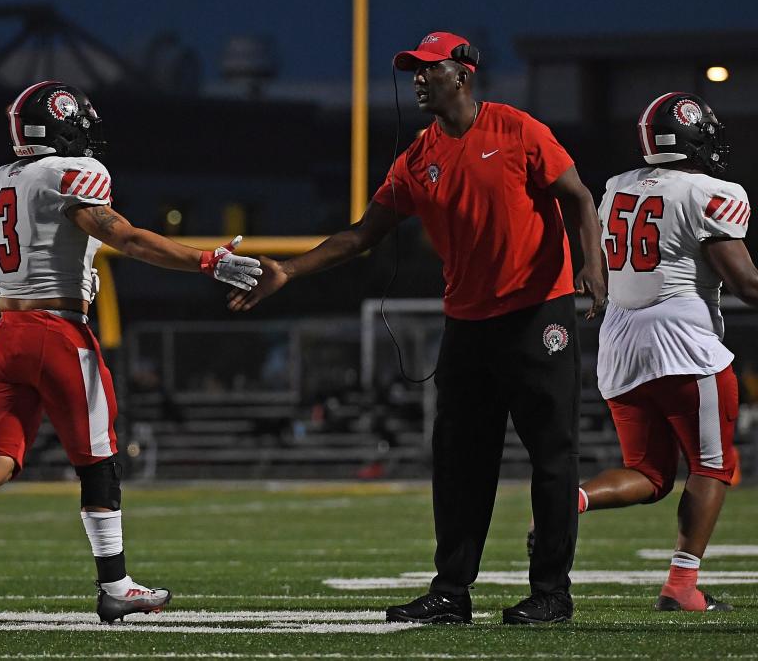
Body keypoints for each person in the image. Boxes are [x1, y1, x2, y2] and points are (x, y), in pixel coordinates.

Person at [227, 32, 606, 624]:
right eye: (414, 71)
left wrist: (592, 266)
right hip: (469, 324)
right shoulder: (416, 159)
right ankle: (452, 591)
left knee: (553, 456)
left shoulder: (517, 129)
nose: (419, 79)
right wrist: (288, 271)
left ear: (464, 73)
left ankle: (551, 593)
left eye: (430, 68)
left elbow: (579, 197)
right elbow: (361, 235)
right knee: (458, 460)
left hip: (538, 314)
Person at [0, 80, 262, 625]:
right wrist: (206, 261)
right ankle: (115, 586)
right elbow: (131, 240)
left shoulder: (2, 180)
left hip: (7, 332)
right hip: (58, 330)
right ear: (63, 124)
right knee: (99, 460)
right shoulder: (69, 175)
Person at [552, 92, 757, 611]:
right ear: (693, 138)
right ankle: (681, 587)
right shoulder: (711, 191)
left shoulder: (617, 187)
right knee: (713, 466)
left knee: (649, 473)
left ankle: (568, 500)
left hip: (621, 344)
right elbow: (747, 284)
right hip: (684, 343)